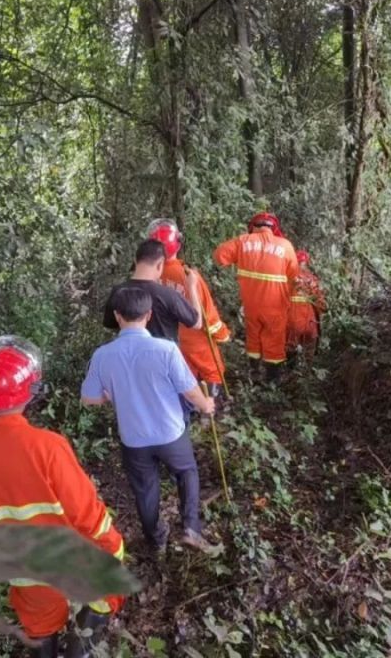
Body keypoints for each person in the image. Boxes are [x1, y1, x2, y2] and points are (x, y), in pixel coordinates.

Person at [0, 336, 125, 658]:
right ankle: (79, 651)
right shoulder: (46, 447)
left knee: (39, 624)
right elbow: (86, 514)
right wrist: (111, 545)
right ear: (29, 391)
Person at [82, 286, 218, 553]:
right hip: (171, 433)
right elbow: (189, 390)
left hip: (133, 439)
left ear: (118, 316)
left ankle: (156, 541)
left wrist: (111, 395)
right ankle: (190, 527)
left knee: (145, 490)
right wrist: (206, 405)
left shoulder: (102, 355)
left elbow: (89, 399)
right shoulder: (165, 349)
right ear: (148, 315)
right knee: (187, 472)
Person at [147, 218, 230, 397]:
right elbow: (207, 312)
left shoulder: (147, 274)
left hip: (165, 338)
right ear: (177, 243)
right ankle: (208, 410)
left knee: (181, 373)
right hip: (194, 337)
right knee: (212, 370)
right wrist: (221, 333)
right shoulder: (188, 276)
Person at [213, 212, 299, 382]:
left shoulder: (243, 241)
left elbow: (219, 256)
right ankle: (272, 381)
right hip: (276, 306)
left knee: (253, 337)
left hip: (251, 305)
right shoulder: (285, 246)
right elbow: (294, 276)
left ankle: (254, 375)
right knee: (274, 339)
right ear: (273, 228)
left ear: (253, 226)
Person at [103, 239, 202, 343]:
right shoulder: (169, 295)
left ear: (135, 261)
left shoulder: (118, 291)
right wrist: (192, 287)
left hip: (128, 355)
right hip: (163, 356)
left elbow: (110, 324)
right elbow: (197, 323)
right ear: (160, 264)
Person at [286, 249, 327, 365]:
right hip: (310, 322)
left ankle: (290, 373)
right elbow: (320, 302)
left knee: (290, 348)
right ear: (306, 262)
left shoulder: (288, 278)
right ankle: (307, 373)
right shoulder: (312, 279)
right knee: (309, 350)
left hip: (292, 321)